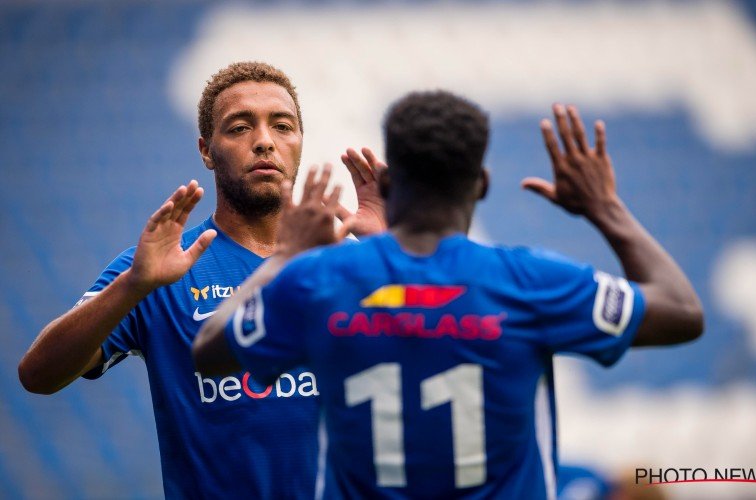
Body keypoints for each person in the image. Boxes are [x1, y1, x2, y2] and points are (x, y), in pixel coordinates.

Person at [192, 92, 704, 498]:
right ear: (480, 184)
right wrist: (604, 207)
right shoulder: (529, 282)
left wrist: (284, 255)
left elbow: (211, 351)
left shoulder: (323, 280)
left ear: (395, 181)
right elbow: (681, 312)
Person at [18, 61, 386, 498]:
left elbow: (449, 366)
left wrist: (400, 254)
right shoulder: (162, 266)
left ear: (300, 142)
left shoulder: (355, 265)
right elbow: (38, 375)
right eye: (240, 127)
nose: (265, 141)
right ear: (206, 150)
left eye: (282, 126)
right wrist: (134, 285)